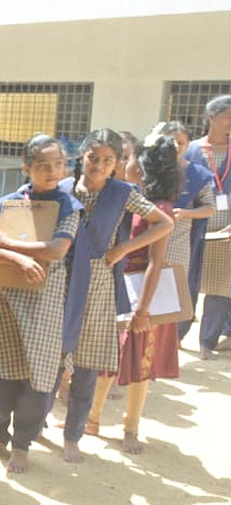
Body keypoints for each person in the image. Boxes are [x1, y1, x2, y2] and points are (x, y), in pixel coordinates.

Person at [0, 135, 81, 474]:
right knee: (2, 370)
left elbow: (56, 250)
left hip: (44, 301)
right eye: (43, 165)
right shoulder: (5, 203)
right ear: (26, 167)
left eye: (58, 164)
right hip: (4, 297)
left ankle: (22, 445)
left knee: (39, 374)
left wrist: (5, 241)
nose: (51, 171)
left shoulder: (68, 205)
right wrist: (16, 259)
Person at [57, 130, 170, 462]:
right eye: (94, 158)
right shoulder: (64, 189)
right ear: (82, 156)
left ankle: (73, 435)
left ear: (118, 163)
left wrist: (124, 248)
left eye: (109, 160)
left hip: (98, 282)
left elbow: (163, 224)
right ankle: (35, 428)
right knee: (53, 355)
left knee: (88, 362)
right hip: (61, 277)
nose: (99, 166)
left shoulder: (123, 193)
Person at [87, 136, 182, 454]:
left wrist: (143, 310)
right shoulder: (130, 198)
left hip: (144, 295)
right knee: (107, 356)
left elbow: (156, 263)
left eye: (127, 159)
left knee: (141, 363)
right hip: (121, 287)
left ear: (139, 166)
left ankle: (131, 427)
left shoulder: (160, 209)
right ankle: (92, 419)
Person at [152, 121, 215, 343]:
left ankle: (167, 346)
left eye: (181, 143)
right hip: (146, 238)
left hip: (178, 241)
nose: (176, 147)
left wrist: (184, 213)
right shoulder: (149, 168)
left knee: (171, 294)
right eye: (171, 142)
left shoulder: (197, 173)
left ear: (189, 144)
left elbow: (209, 208)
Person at [185, 95, 231, 360]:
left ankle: (207, 341)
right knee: (189, 280)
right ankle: (177, 334)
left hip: (226, 230)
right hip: (195, 223)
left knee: (221, 285)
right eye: (227, 116)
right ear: (211, 118)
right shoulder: (192, 150)